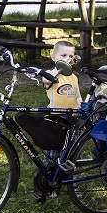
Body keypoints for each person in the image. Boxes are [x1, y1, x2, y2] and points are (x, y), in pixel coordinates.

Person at [30, 41, 82, 201]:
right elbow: (47, 81)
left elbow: (77, 96)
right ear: (53, 57)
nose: (68, 59)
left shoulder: (73, 77)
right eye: (63, 55)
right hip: (55, 121)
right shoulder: (51, 75)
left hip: (72, 121)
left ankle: (72, 183)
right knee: (52, 155)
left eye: (71, 56)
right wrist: (59, 68)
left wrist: (81, 110)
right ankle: (49, 182)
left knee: (73, 154)